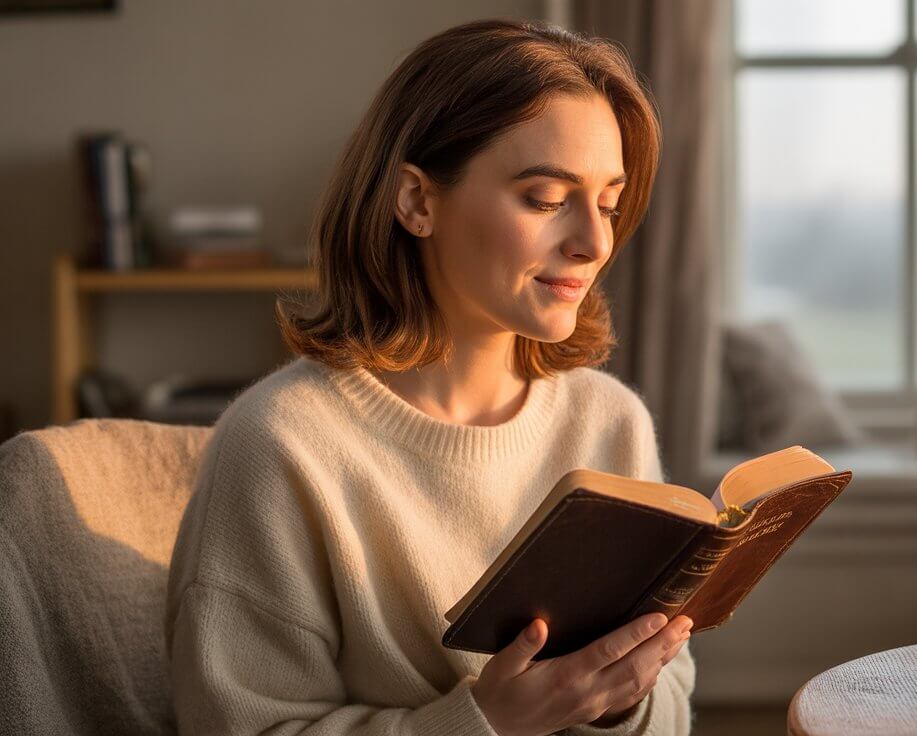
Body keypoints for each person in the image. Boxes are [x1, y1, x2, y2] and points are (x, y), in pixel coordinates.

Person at [164, 18, 694, 736]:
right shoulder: (281, 447)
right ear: (416, 201)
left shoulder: (609, 422)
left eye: (607, 203)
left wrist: (618, 700)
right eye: (545, 198)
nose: (595, 241)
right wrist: (486, 724)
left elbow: (672, 709)